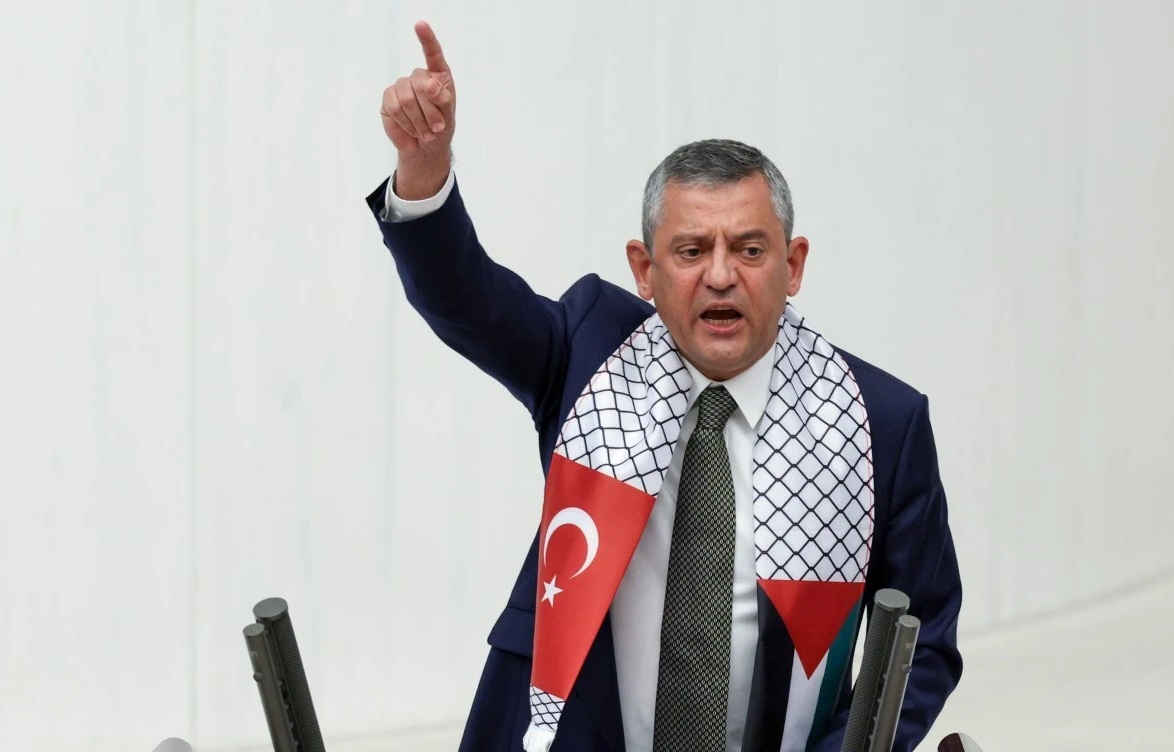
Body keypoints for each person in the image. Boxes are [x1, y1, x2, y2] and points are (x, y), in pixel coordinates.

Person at [368, 21, 963, 752]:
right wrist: (424, 168)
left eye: (750, 249)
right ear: (644, 270)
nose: (721, 275)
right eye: (691, 250)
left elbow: (924, 643)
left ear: (794, 265)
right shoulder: (588, 353)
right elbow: (465, 299)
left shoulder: (879, 422)